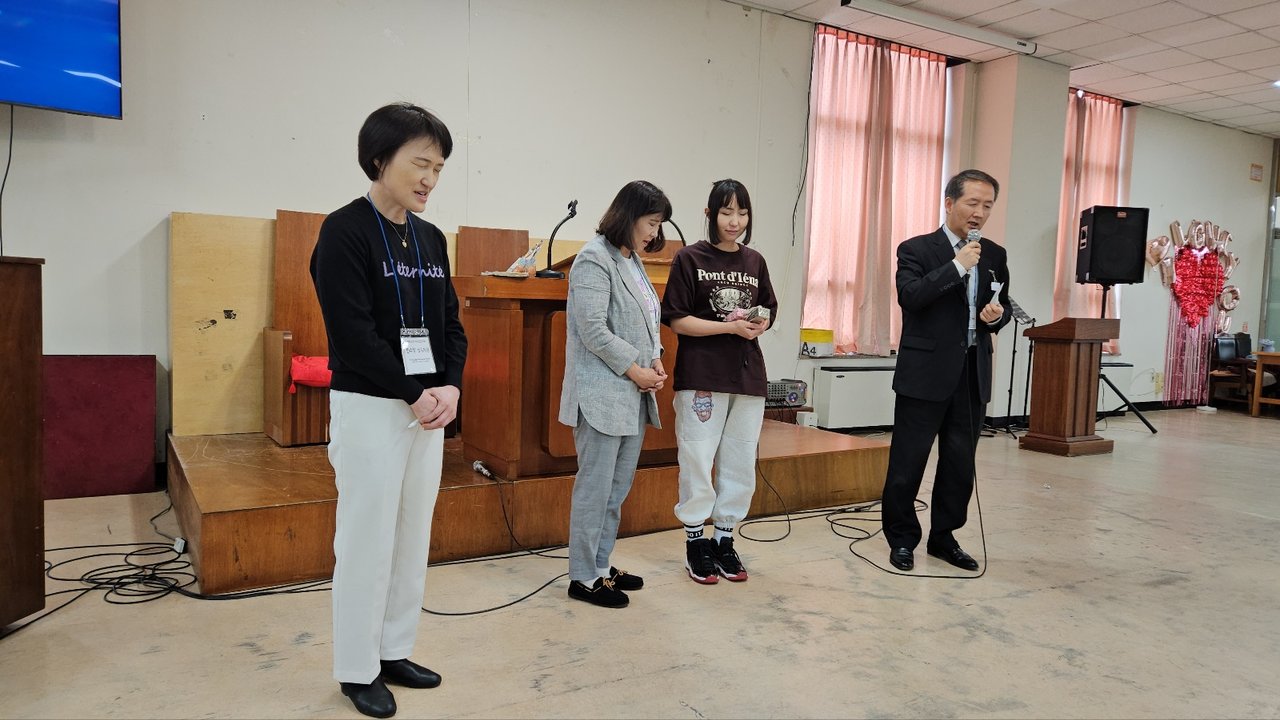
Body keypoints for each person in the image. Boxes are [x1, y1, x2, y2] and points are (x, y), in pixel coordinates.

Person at [310, 102, 467, 718]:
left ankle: (394, 648)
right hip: (372, 406)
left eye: (439, 168)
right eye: (420, 163)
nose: (430, 179)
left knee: (410, 534)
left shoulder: (429, 238)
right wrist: (414, 392)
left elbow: (450, 324)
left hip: (427, 409)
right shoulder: (344, 230)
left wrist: (449, 387)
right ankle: (357, 668)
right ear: (379, 159)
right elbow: (351, 335)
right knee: (366, 540)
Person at [881, 169, 1011, 573]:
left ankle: (944, 538)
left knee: (959, 464)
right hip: (925, 373)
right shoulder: (916, 249)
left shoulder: (995, 254)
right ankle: (902, 539)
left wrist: (996, 316)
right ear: (950, 203)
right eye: (973, 203)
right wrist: (956, 266)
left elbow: (1003, 304)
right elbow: (911, 296)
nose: (979, 213)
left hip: (971, 372)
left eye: (987, 206)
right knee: (908, 463)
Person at [559, 180, 670, 609]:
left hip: (631, 393)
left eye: (658, 224)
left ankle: (601, 565)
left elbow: (647, 320)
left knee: (616, 489)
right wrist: (635, 369)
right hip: (601, 394)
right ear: (629, 216)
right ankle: (583, 576)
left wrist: (655, 358)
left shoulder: (631, 259)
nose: (654, 232)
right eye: (651, 222)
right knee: (596, 489)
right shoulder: (594, 258)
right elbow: (592, 330)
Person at [661, 179, 777, 584]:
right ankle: (696, 542)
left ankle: (725, 539)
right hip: (702, 375)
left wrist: (758, 323)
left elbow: (768, 309)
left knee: (740, 459)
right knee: (697, 456)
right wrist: (728, 328)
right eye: (727, 212)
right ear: (710, 214)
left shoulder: (755, 261)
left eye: (742, 213)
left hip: (747, 374)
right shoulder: (689, 258)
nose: (735, 221)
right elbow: (677, 319)